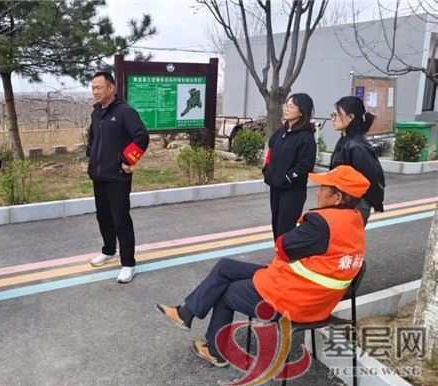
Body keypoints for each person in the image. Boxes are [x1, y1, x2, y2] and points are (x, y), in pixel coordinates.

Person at [155, 165, 369, 367]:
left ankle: (215, 351)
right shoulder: (354, 219)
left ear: (337, 197)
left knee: (225, 292)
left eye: (323, 188)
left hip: (294, 300)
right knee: (225, 267)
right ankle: (185, 314)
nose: (317, 193)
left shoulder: (320, 223)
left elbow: (282, 247)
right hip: (308, 294)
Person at [86, 71, 149, 283]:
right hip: (99, 175)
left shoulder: (125, 112)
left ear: (111, 88)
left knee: (121, 219)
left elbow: (141, 137)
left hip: (118, 176)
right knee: (103, 216)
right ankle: (109, 250)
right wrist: (90, 154)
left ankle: (128, 263)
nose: (95, 91)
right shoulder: (96, 113)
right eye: (93, 88)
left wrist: (127, 160)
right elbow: (92, 136)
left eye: (98, 87)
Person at [262, 93, 317, 241]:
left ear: (301, 111)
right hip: (276, 188)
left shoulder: (306, 138)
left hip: (292, 192)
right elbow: (270, 153)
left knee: (285, 229)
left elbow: (304, 166)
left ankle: (285, 254)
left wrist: (286, 178)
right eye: (286, 105)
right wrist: (267, 171)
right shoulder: (280, 132)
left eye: (291, 106)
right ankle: (278, 252)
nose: (286, 109)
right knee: (276, 226)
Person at [330, 96, 385, 225]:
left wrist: (377, 203)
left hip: (355, 204)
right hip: (343, 200)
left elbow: (372, 177)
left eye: (336, 115)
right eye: (332, 115)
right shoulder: (345, 139)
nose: (333, 119)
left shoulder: (357, 146)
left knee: (347, 236)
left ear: (351, 117)